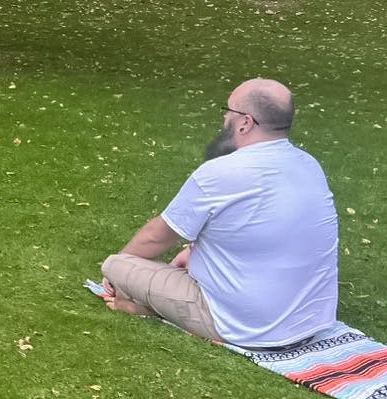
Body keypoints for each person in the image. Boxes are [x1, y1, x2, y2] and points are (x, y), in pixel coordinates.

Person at [100, 78, 339, 348]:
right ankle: (157, 305)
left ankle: (148, 308)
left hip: (247, 326)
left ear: (245, 123)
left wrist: (116, 277)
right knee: (179, 265)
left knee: (117, 265)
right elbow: (266, 232)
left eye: (228, 110)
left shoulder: (221, 172)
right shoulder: (309, 166)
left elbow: (156, 237)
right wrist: (193, 253)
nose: (225, 117)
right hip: (310, 323)